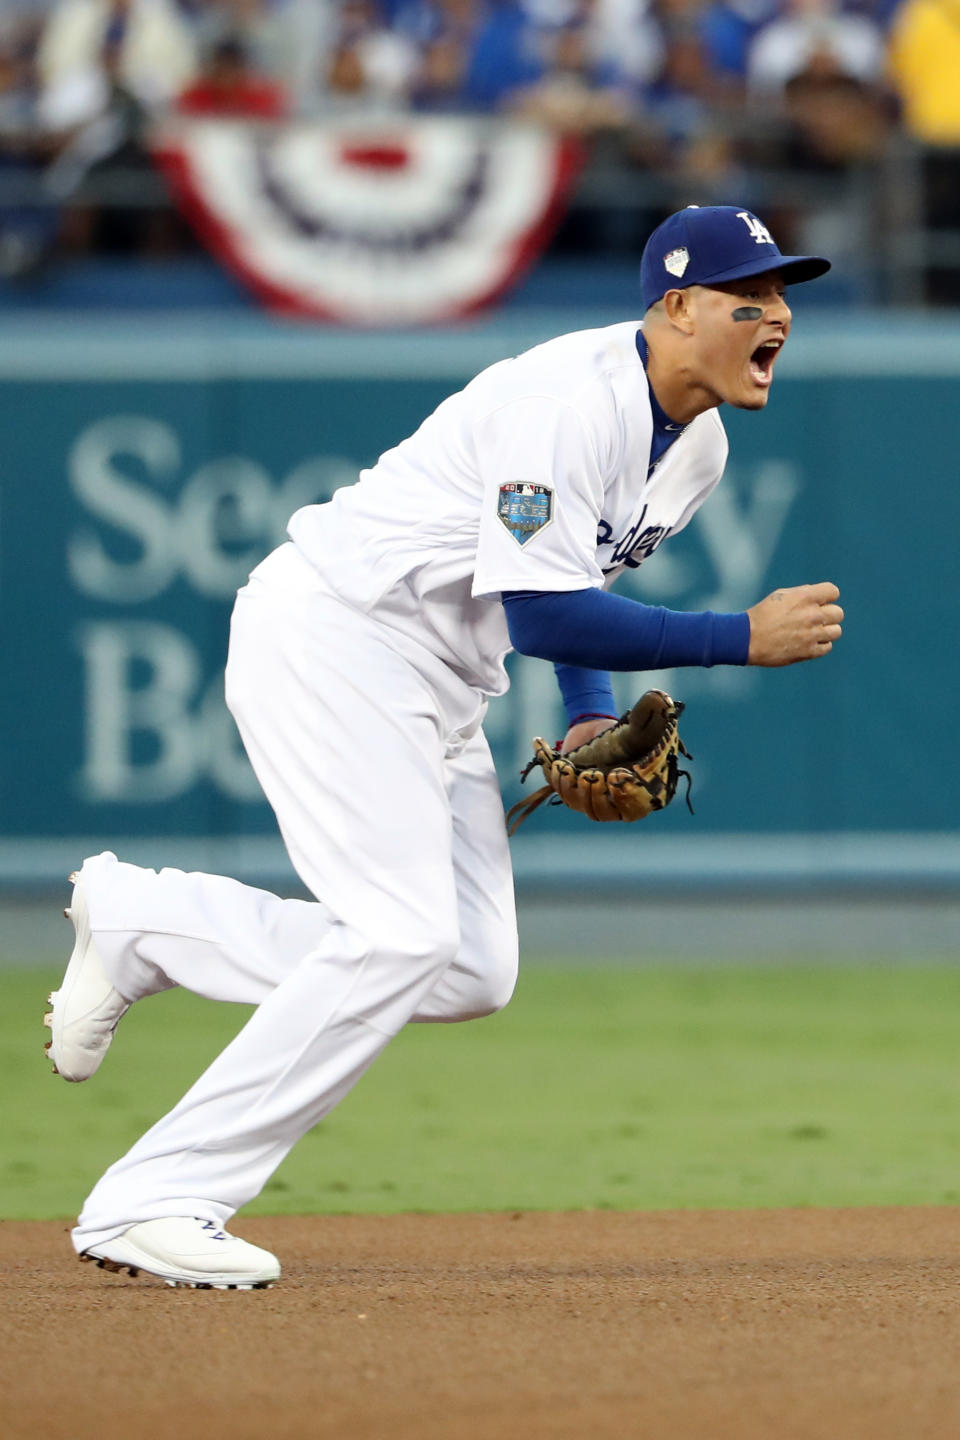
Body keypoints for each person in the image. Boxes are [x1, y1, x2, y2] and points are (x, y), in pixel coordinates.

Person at [45, 204, 843, 1290]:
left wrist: (588, 714)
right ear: (676, 306)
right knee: (398, 935)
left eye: (785, 297)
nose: (779, 318)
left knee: (466, 968)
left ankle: (150, 924)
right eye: (753, 299)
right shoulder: (566, 404)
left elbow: (582, 582)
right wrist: (737, 639)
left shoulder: (697, 446)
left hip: (438, 679)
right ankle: (154, 1197)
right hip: (338, 634)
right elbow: (542, 614)